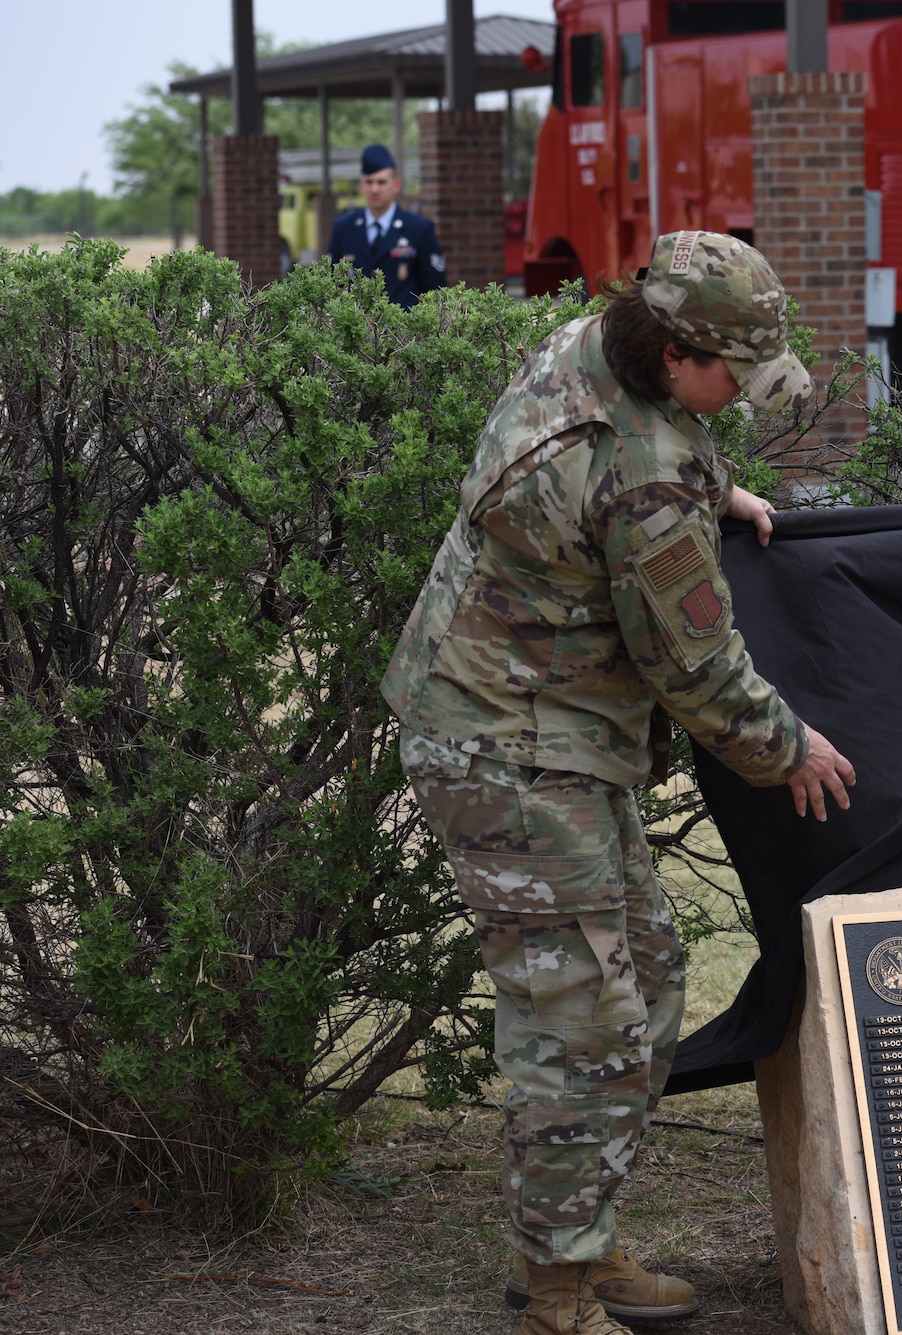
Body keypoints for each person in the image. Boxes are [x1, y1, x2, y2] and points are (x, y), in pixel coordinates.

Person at [382, 231, 857, 1335]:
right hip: (504, 744)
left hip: (543, 729)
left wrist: (716, 488)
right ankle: (555, 1292)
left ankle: (579, 1242)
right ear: (676, 348)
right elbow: (691, 664)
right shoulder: (645, 478)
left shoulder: (590, 347)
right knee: (585, 1021)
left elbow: (643, 450)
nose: (737, 396)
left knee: (644, 983)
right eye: (731, 375)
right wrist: (790, 748)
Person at [327, 144, 447, 308]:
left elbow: (436, 290)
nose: (375, 189)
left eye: (381, 182)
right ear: (361, 185)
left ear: (396, 185)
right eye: (369, 182)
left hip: (403, 329)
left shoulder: (419, 229)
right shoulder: (343, 228)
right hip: (357, 329)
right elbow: (332, 285)